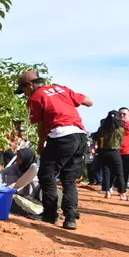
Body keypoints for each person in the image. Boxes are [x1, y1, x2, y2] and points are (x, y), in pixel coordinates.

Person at [15, 71, 93, 230]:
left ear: (29, 85)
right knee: (69, 179)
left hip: (61, 136)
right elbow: (89, 102)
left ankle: (50, 215)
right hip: (80, 136)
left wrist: (41, 146)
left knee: (46, 175)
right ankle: (70, 217)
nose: (24, 94)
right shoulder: (61, 89)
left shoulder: (35, 98)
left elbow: (42, 127)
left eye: (23, 90)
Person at [96, 110, 127, 200]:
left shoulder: (102, 129)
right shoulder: (120, 129)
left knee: (106, 172)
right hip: (115, 152)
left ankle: (107, 193)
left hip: (104, 152)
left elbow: (99, 139)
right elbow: (121, 141)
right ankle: (122, 194)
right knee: (119, 173)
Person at [119, 107, 129, 188]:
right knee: (122, 173)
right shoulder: (115, 125)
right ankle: (123, 190)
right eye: (120, 114)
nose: (122, 115)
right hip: (119, 153)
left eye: (124, 114)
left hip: (128, 152)